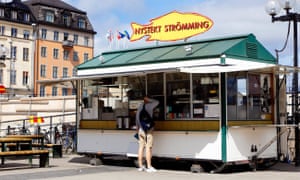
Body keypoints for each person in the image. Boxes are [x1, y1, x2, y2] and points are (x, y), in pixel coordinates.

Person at [135, 95, 159, 172]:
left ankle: (141, 166)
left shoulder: (140, 107)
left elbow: (137, 118)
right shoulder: (150, 105)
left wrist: (137, 128)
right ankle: (149, 166)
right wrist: (149, 99)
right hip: (148, 129)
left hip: (140, 129)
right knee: (149, 147)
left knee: (141, 147)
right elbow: (157, 102)